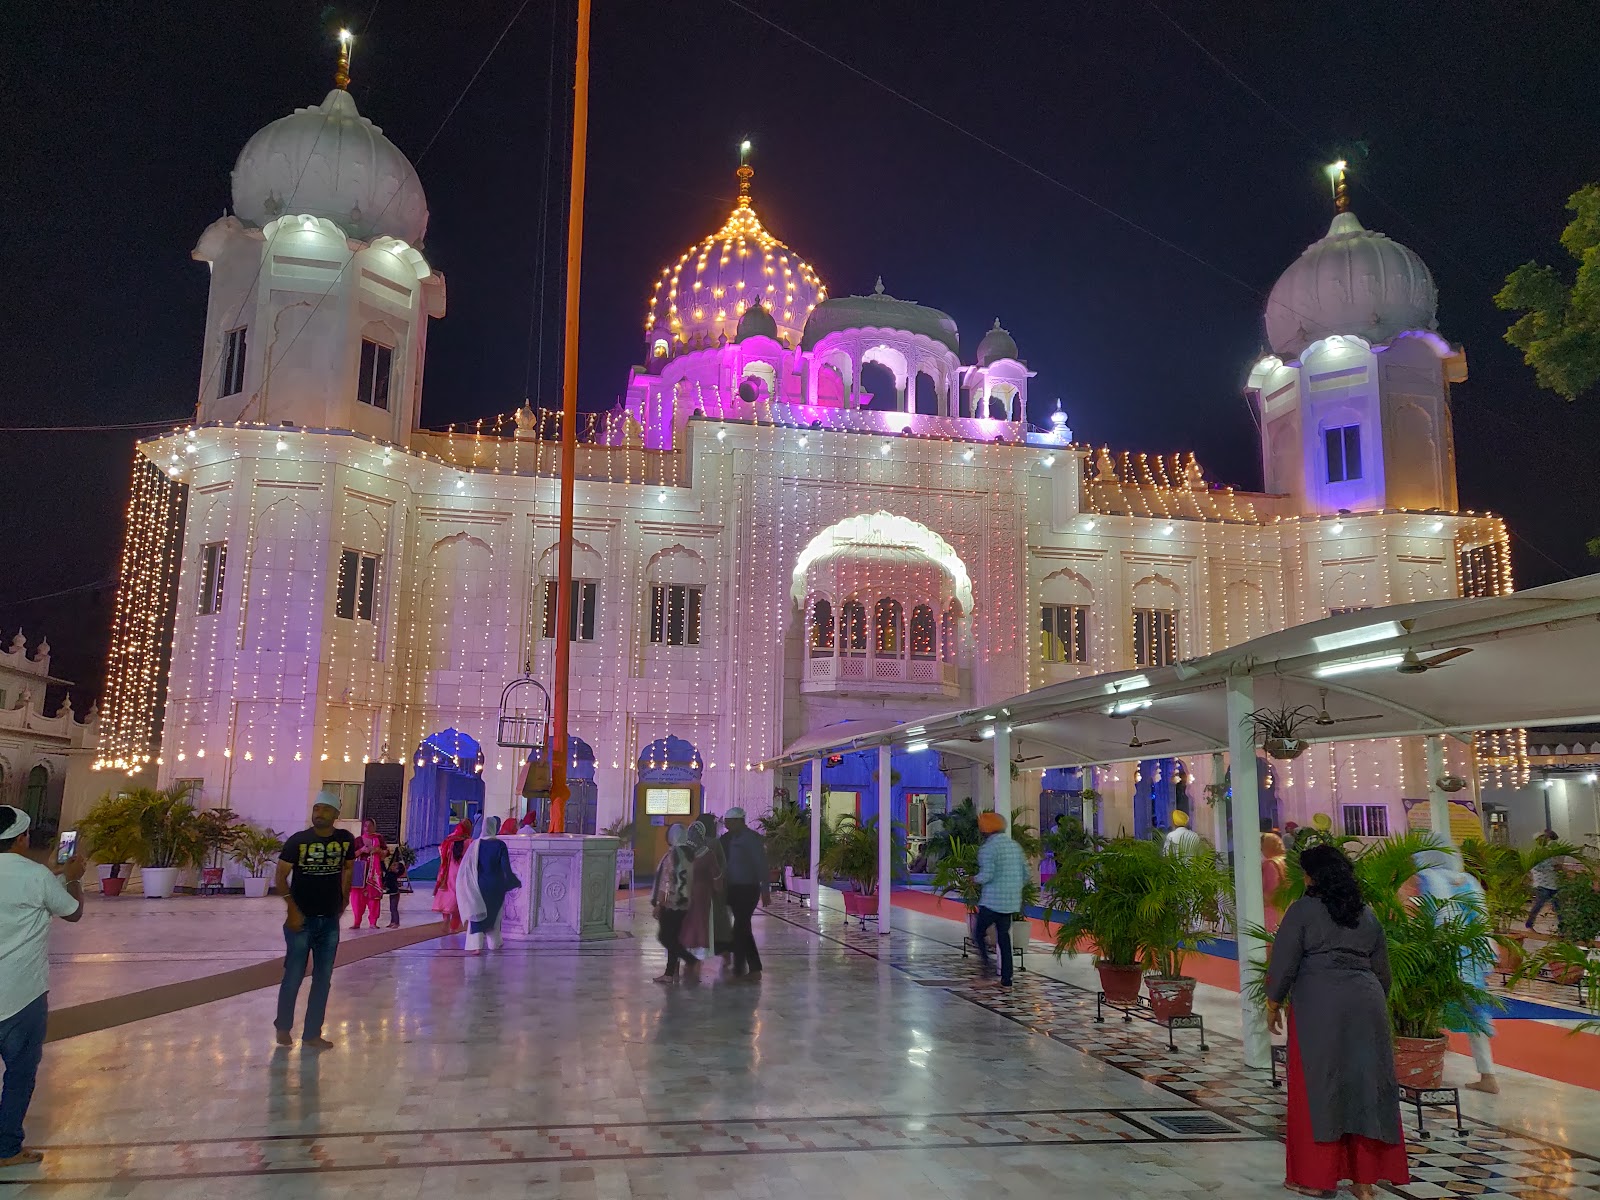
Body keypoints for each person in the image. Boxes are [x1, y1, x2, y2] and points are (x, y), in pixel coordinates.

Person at [1266, 843, 1408, 1199]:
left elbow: (1284, 961)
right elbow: (1383, 973)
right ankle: (1364, 1181)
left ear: (1312, 877)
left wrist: (1272, 1002)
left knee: (1318, 1087)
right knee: (1366, 1086)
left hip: (1320, 1005)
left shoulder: (1302, 911)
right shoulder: (1366, 913)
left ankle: (1315, 1178)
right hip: (1367, 1001)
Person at [0, 805, 85, 1168]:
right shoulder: (36, 876)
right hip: (22, 995)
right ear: (21, 838)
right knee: (19, 1074)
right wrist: (74, 876)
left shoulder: (38, 875)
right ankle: (6, 1148)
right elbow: (73, 911)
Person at [274, 801, 356, 1050]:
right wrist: (292, 908)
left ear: (336, 814)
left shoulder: (345, 839)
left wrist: (344, 900)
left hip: (329, 920)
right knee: (294, 975)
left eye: (325, 810)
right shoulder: (298, 841)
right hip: (302, 919)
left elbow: (349, 869)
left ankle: (312, 1033)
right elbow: (280, 876)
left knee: (323, 978)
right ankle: (283, 1026)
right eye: (316, 809)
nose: (318, 814)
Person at [1415, 849, 1498, 1093]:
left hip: (1440, 956)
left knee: (1427, 1009)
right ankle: (1488, 1074)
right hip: (1471, 956)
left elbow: (1424, 917)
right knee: (1475, 1016)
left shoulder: (1427, 878)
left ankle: (1423, 1064)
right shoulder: (1469, 881)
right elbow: (1482, 920)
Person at [973, 810, 1027, 989]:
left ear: (985, 830)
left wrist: (973, 879)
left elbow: (987, 875)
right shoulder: (1015, 846)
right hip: (1010, 901)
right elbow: (1026, 874)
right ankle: (1007, 978)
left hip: (992, 901)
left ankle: (986, 966)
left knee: (979, 933)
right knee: (1004, 939)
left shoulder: (988, 848)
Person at [456, 817, 522, 954]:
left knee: (478, 912)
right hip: (496, 884)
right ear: (495, 828)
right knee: (494, 913)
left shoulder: (476, 845)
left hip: (480, 884)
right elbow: (506, 868)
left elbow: (469, 866)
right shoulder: (500, 845)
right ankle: (494, 943)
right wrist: (513, 881)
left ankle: (476, 946)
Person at [720, 807, 771, 980]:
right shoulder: (728, 839)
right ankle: (753, 968)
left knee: (741, 927)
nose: (726, 824)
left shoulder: (751, 839)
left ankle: (739, 970)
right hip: (733, 889)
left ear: (739, 821)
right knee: (742, 928)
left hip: (748, 889)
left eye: (729, 821)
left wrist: (765, 890)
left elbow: (761, 865)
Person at [650, 824, 695, 983]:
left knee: (665, 936)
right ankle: (670, 972)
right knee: (675, 938)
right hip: (688, 903)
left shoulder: (671, 856)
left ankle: (690, 960)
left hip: (673, 903)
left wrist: (659, 904)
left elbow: (665, 883)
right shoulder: (692, 854)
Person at [681, 822, 724, 966]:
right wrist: (719, 891)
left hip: (683, 893)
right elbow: (716, 875)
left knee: (684, 923)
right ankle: (698, 954)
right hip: (703, 894)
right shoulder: (708, 854)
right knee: (701, 922)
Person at [694, 812, 734, 963]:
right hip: (713, 890)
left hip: (696, 890)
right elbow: (722, 866)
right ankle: (725, 954)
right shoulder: (714, 843)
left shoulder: (691, 843)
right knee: (718, 924)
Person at [1526, 830, 1575, 931]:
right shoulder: (1539, 852)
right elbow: (1542, 866)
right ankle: (1529, 925)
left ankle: (1563, 929)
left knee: (1555, 906)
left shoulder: (1547, 850)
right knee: (1541, 905)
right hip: (1543, 883)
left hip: (1550, 882)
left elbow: (1556, 864)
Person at [431, 819, 472, 933]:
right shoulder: (470, 842)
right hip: (462, 873)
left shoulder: (449, 840)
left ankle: (446, 920)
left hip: (449, 872)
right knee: (459, 898)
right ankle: (454, 927)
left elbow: (441, 851)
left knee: (448, 895)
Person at [349, 818, 386, 930]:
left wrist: (377, 850)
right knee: (357, 898)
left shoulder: (378, 839)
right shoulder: (358, 840)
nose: (367, 828)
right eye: (365, 825)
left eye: (370, 825)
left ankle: (373, 922)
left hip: (374, 873)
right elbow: (350, 856)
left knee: (374, 897)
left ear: (374, 827)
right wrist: (361, 851)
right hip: (360, 872)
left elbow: (385, 854)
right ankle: (356, 921)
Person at [1261, 832, 1289, 933]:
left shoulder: (1270, 864)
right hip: (1289, 909)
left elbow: (1271, 891)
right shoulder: (1288, 861)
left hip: (1273, 912)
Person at [378, 843, 405, 929]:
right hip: (392, 893)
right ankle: (392, 922)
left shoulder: (392, 875)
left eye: (394, 866)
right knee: (391, 908)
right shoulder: (390, 874)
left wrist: (382, 861)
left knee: (394, 908)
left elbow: (385, 871)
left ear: (397, 870)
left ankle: (396, 923)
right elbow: (385, 871)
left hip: (395, 893)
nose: (392, 866)